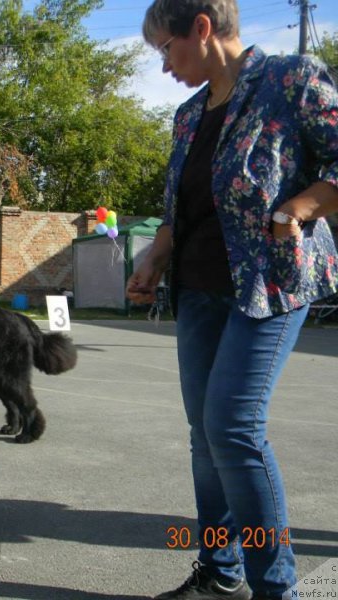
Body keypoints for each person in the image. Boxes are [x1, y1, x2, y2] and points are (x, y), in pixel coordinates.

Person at [129, 2, 338, 599]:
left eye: (164, 48)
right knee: (205, 434)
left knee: (233, 427)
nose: (163, 65)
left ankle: (277, 590)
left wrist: (299, 207)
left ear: (201, 28)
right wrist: (154, 258)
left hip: (269, 286)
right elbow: (179, 207)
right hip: (198, 290)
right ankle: (222, 575)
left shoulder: (291, 79)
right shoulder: (188, 115)